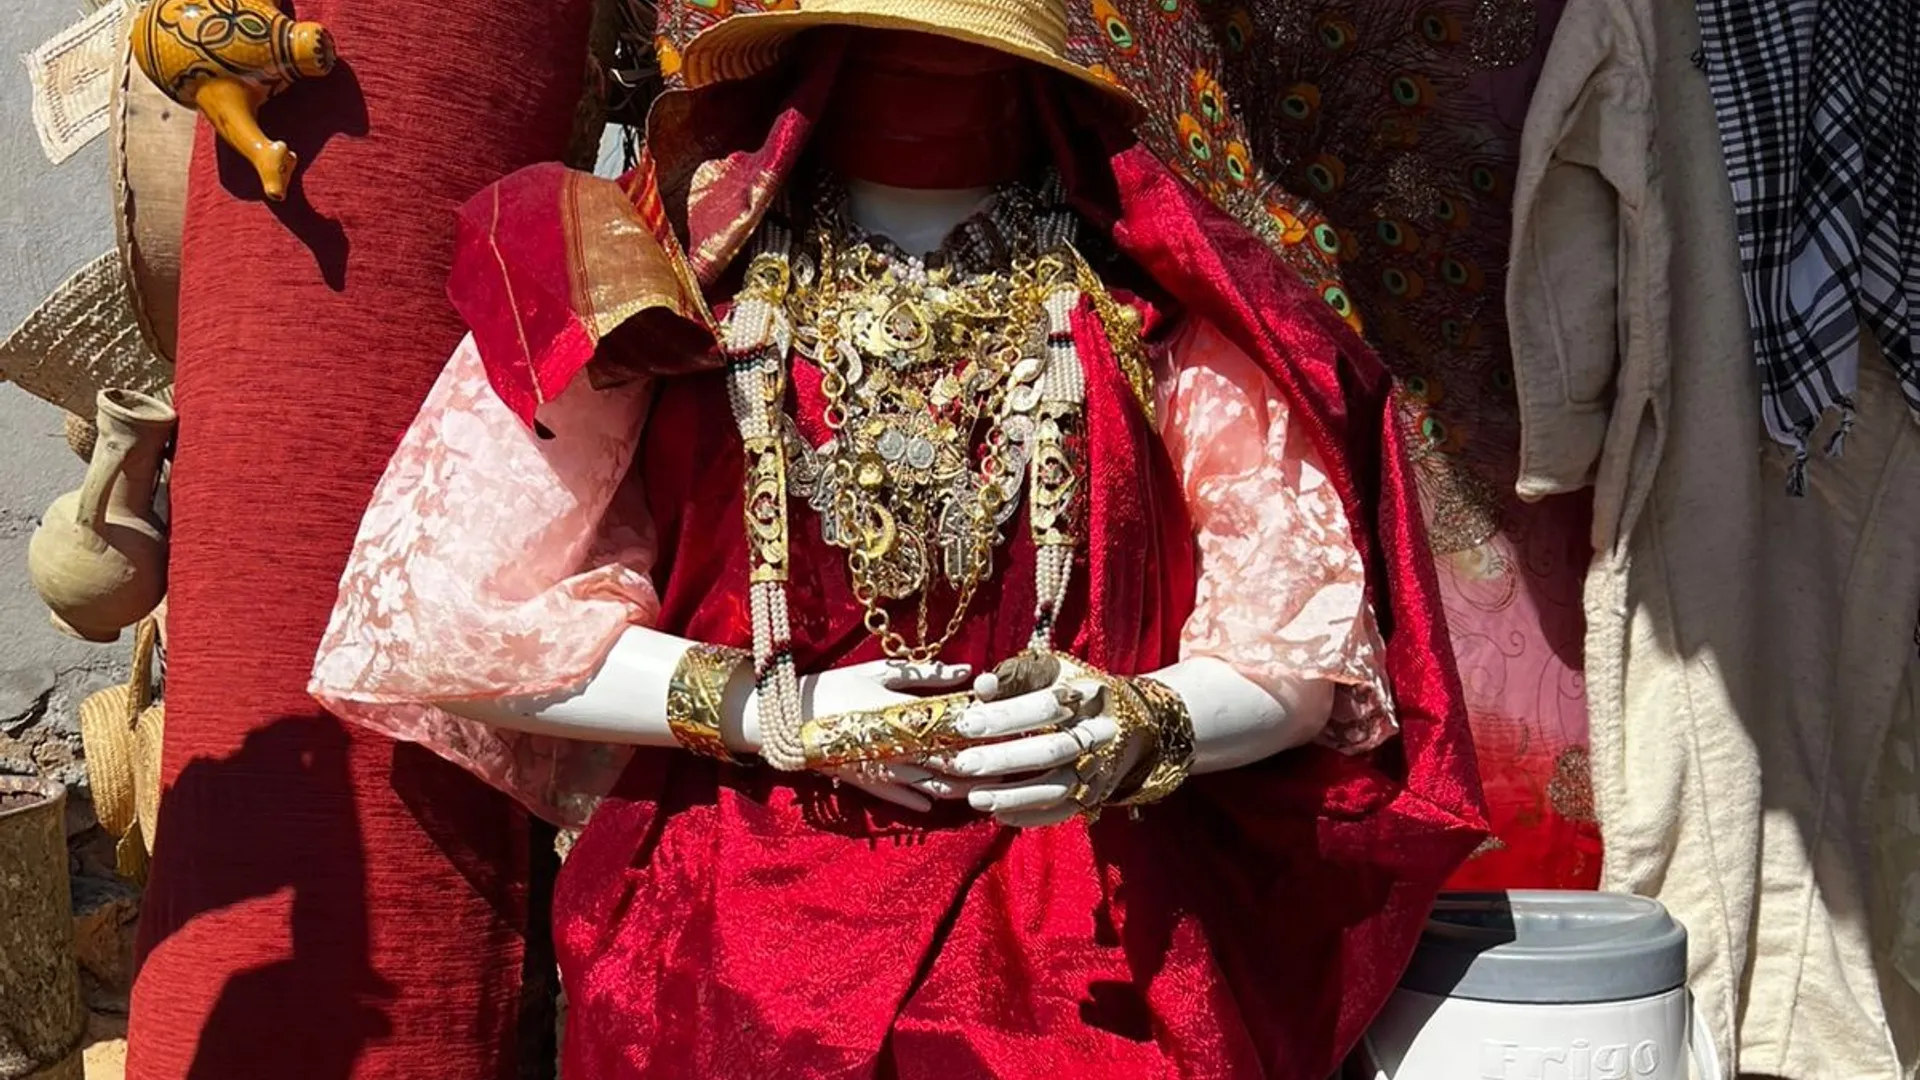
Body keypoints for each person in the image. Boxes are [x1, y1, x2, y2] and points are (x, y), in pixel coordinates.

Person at [310, 2, 1483, 1075]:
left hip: (1092, 929)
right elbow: (443, 615)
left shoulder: (1153, 302)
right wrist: (780, 712)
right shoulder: (663, 282)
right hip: (722, 939)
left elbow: (1300, 651)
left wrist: (1136, 724)